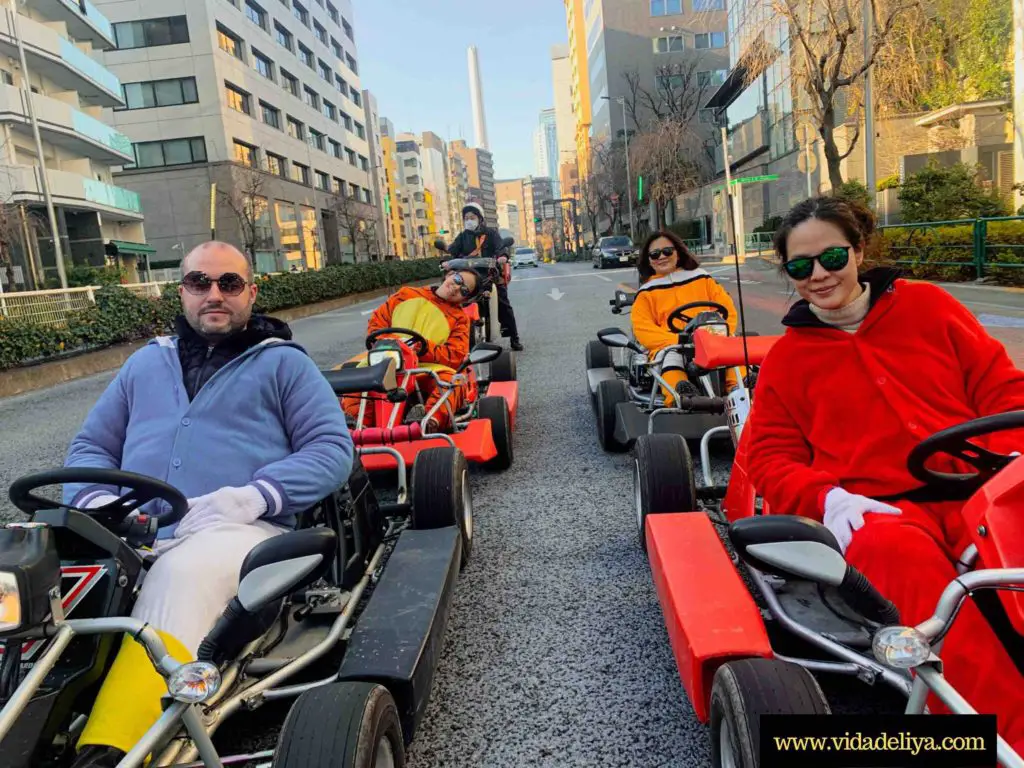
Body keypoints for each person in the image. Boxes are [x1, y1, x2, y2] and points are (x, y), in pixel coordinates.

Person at [744, 195, 1024, 751]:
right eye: (801, 267)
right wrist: (829, 501)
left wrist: (1011, 454)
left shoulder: (929, 307)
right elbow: (768, 458)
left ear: (859, 250)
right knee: (933, 599)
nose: (819, 276)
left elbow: (1003, 390)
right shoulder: (786, 359)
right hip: (882, 512)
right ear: (788, 273)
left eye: (832, 258)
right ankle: (1006, 741)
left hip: (979, 486)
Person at [62, 242, 354, 767]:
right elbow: (90, 448)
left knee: (181, 575)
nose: (213, 294)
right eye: (200, 283)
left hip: (241, 531)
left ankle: (114, 749)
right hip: (136, 528)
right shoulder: (145, 363)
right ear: (183, 292)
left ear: (251, 293)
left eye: (229, 283)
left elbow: (330, 449)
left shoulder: (283, 364)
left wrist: (251, 497)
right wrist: (101, 502)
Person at [341, 266, 487, 433]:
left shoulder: (459, 318)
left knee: (455, 382)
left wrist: (421, 348)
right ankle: (360, 426)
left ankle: (429, 420)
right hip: (386, 360)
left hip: (425, 368)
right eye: (458, 280)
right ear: (450, 275)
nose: (455, 288)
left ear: (465, 299)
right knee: (355, 382)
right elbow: (376, 324)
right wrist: (392, 342)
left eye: (464, 290)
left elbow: (455, 355)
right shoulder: (406, 295)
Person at [630, 229, 742, 403]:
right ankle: (680, 393)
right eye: (655, 254)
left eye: (667, 251)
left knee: (733, 345)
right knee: (670, 356)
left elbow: (728, 310)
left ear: (678, 253)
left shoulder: (702, 279)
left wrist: (717, 333)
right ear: (649, 260)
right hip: (673, 343)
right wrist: (678, 340)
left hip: (710, 336)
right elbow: (643, 329)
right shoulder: (646, 293)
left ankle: (740, 386)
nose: (662, 257)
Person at [447, 202, 523, 351]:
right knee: (452, 297)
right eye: (466, 218)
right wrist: (446, 259)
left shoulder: (491, 233)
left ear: (480, 218)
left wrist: (502, 256)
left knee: (503, 303)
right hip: (469, 275)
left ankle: (514, 338)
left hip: (491, 274)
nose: (469, 220)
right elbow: (453, 251)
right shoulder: (462, 237)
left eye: (472, 217)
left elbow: (501, 247)